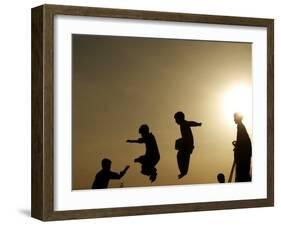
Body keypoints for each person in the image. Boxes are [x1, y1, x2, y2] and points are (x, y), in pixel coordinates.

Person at [174, 111, 202, 179]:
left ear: (179, 119)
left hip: (187, 143)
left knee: (181, 155)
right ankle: (183, 171)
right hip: (186, 143)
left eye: (176, 120)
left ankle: (184, 171)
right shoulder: (182, 124)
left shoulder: (184, 123)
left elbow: (191, 123)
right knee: (181, 155)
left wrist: (198, 124)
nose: (176, 121)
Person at [233, 112, 252, 182]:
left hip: (244, 156)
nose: (234, 120)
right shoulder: (241, 127)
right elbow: (242, 141)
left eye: (234, 118)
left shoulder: (240, 127)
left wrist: (237, 147)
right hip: (245, 154)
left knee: (242, 174)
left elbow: (242, 141)